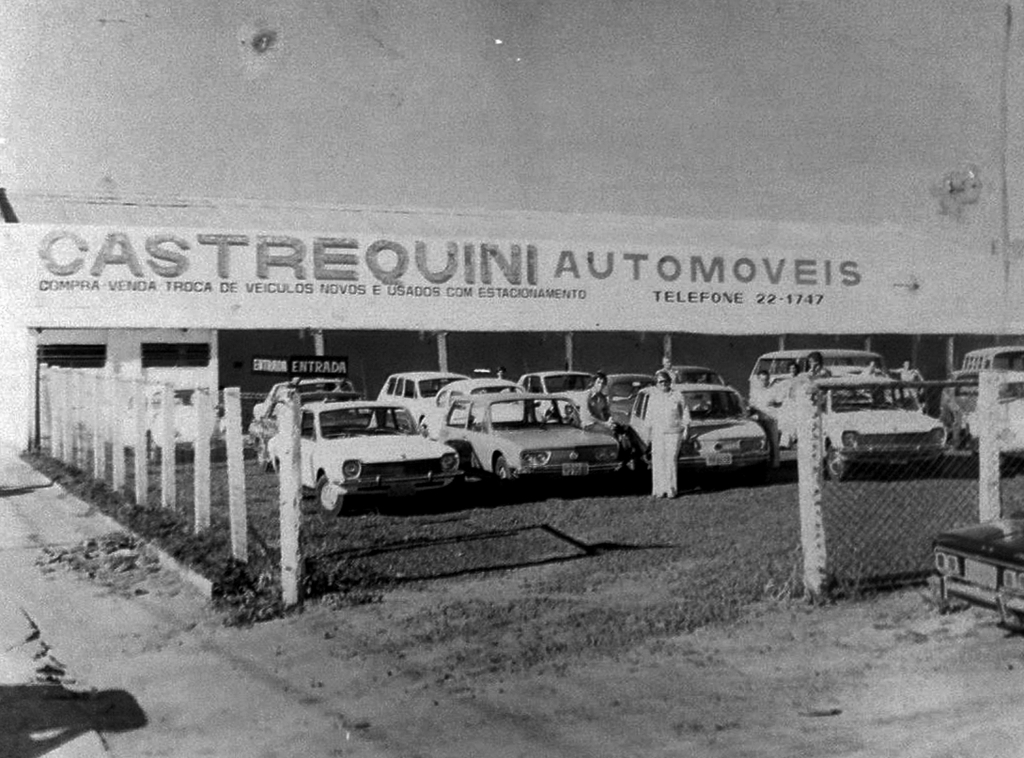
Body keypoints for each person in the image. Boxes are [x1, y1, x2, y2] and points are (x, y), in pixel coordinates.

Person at [647, 369, 690, 498]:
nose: (663, 384)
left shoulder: (677, 395)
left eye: (665, 381)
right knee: (658, 460)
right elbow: (649, 417)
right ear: (656, 384)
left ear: (670, 382)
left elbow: (685, 412)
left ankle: (671, 490)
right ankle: (659, 490)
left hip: (674, 432)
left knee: (671, 460)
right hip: (658, 433)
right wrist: (648, 435)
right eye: (660, 382)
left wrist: (686, 428)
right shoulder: (653, 397)